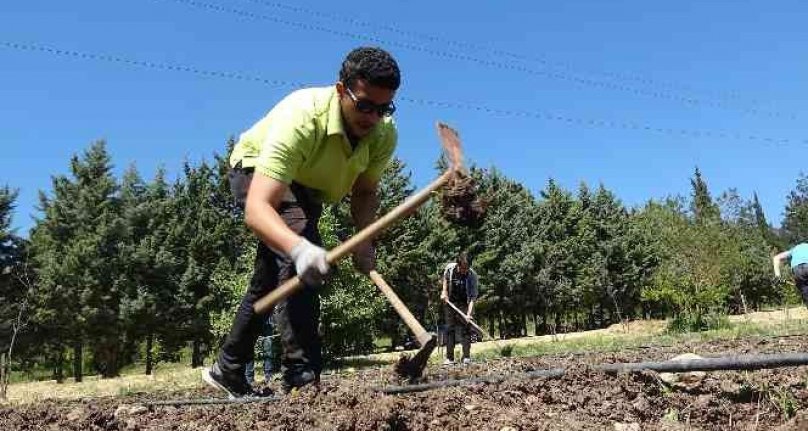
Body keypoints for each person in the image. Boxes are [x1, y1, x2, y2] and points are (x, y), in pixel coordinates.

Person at [203, 46, 401, 397]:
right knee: (301, 264)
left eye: (383, 108)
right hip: (256, 172)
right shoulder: (303, 116)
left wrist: (365, 240)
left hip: (307, 191)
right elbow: (258, 208)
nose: (373, 118)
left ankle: (228, 368)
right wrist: (300, 249)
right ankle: (302, 379)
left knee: (270, 282)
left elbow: (365, 192)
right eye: (365, 106)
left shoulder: (382, 133)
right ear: (341, 91)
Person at [440, 252, 479, 365]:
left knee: (466, 328)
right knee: (449, 329)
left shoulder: (472, 276)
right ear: (458, 265)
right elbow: (445, 280)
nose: (464, 271)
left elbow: (472, 297)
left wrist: (469, 314)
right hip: (450, 302)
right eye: (463, 268)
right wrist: (444, 292)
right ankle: (450, 358)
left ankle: (466, 357)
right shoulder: (450, 269)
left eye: (467, 268)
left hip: (464, 303)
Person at [772, 242, 808, 307]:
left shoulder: (793, 250)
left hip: (797, 271)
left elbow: (776, 258)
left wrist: (777, 276)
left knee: (806, 294)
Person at [244, 314, 274, 386]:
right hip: (252, 321)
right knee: (249, 350)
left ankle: (269, 377)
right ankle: (249, 379)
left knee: (268, 352)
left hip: (267, 323)